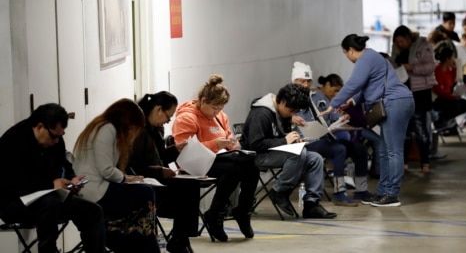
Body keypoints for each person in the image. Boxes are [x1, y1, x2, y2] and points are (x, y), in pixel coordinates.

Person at [320, 34, 414, 207]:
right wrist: (351, 101)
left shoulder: (365, 59)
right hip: (393, 103)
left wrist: (333, 104)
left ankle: (392, 194)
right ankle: (384, 191)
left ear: (350, 50)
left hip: (395, 103)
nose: (347, 58)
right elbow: (366, 87)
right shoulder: (373, 57)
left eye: (345, 53)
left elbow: (353, 83)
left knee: (393, 151)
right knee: (385, 151)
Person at [0, 104, 106, 253]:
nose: (57, 141)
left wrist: (71, 180)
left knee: (93, 211)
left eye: (60, 136)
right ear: (39, 127)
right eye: (54, 136)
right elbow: (11, 183)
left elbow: (64, 163)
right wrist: (51, 184)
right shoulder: (12, 141)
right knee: (50, 203)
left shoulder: (54, 140)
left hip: (50, 199)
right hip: (13, 203)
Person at [171, 74, 260, 241]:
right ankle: (216, 213)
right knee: (234, 168)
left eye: (220, 108)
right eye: (214, 108)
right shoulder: (187, 118)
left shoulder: (220, 117)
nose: (217, 112)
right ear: (203, 101)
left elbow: (226, 136)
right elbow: (184, 152)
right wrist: (215, 144)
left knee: (251, 166)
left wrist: (232, 144)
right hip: (194, 164)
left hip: (220, 159)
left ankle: (243, 210)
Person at [73, 98, 159, 253]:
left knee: (143, 194)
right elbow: (106, 169)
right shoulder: (107, 129)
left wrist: (126, 178)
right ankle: (140, 241)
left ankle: (135, 239)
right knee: (146, 193)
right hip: (93, 189)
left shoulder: (102, 127)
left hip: (96, 185)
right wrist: (126, 178)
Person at [240, 83, 336, 219]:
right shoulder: (261, 113)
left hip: (273, 152)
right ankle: (280, 191)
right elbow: (255, 144)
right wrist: (285, 141)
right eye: (292, 111)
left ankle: (311, 204)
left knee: (315, 158)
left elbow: (279, 137)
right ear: (283, 102)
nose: (293, 114)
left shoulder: (281, 112)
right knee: (298, 153)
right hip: (256, 156)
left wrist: (294, 141)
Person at [129, 91, 200, 253]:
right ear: (158, 109)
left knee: (192, 184)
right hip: (145, 181)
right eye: (168, 116)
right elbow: (134, 167)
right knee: (186, 192)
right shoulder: (137, 131)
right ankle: (180, 239)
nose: (168, 121)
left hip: (158, 177)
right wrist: (161, 171)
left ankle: (180, 237)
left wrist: (176, 150)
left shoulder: (156, 129)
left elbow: (160, 157)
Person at [294, 73, 373, 206]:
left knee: (360, 149)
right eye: (302, 81)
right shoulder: (291, 98)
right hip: (308, 141)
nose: (306, 85)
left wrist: (342, 118)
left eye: (308, 81)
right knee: (339, 149)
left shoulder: (318, 96)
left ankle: (361, 190)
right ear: (294, 81)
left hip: (325, 137)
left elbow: (332, 113)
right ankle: (339, 192)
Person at [390, 25, 436, 173]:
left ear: (409, 38)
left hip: (420, 92)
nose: (400, 44)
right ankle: (404, 162)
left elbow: (430, 67)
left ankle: (425, 162)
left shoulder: (423, 46)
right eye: (397, 42)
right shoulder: (396, 50)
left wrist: (411, 68)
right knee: (405, 129)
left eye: (402, 41)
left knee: (421, 128)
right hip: (403, 92)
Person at [432, 44, 466, 126]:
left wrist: (455, 68)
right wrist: (452, 97)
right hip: (438, 98)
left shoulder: (449, 70)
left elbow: (452, 82)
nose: (454, 60)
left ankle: (445, 120)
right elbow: (437, 89)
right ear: (447, 59)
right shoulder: (437, 70)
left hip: (447, 97)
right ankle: (440, 120)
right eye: (453, 58)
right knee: (455, 106)